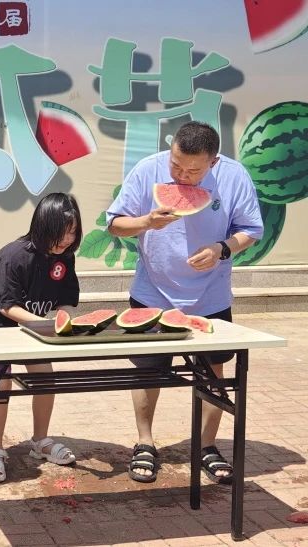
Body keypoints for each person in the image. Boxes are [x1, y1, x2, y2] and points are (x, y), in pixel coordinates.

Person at [106, 121, 263, 484]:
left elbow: (251, 230)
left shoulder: (235, 176)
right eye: (176, 166)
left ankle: (206, 446)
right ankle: (145, 442)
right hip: (152, 292)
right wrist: (146, 221)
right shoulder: (148, 169)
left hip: (210, 293)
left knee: (214, 371)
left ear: (214, 162)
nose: (182, 176)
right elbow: (115, 224)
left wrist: (222, 248)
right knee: (147, 370)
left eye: (194, 171)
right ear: (171, 148)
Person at [0, 192, 82, 482]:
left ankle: (40, 441)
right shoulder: (15, 256)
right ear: (43, 227)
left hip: (33, 322)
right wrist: (46, 325)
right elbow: (6, 306)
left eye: (72, 232)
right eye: (61, 232)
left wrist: (63, 317)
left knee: (45, 377)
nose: (67, 239)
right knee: (0, 381)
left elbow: (67, 299)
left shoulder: (65, 257)